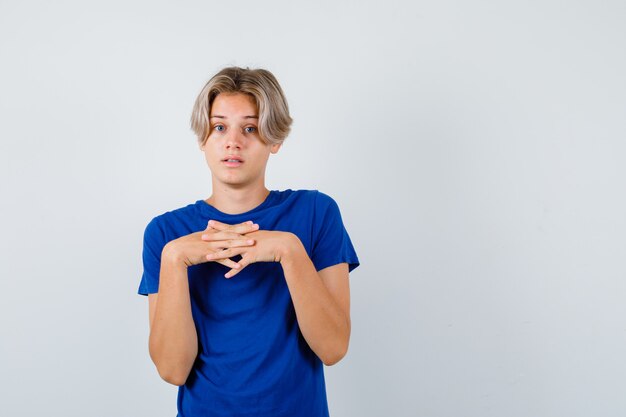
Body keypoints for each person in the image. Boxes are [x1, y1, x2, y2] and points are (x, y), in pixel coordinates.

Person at [138, 66, 359, 417]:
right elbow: (172, 370)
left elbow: (333, 348)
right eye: (220, 126)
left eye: (251, 128)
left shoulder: (317, 213)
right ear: (203, 138)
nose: (233, 142)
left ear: (275, 139)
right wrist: (174, 258)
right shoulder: (166, 234)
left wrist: (289, 251)